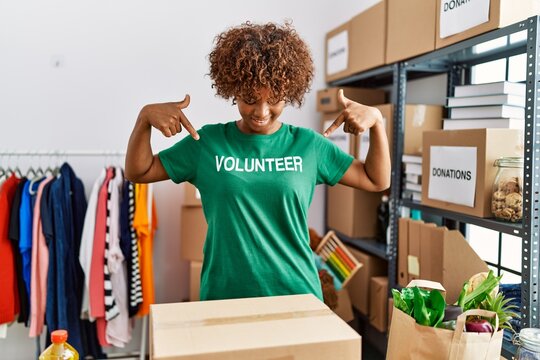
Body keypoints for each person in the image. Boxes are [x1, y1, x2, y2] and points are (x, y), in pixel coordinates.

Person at [125, 22, 391, 302]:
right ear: (234, 90)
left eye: (274, 99)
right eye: (250, 99)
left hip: (297, 295)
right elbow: (138, 171)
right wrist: (143, 120)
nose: (261, 112)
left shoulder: (308, 146)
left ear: (289, 92)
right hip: (225, 297)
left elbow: (376, 180)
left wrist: (377, 123)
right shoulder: (207, 143)